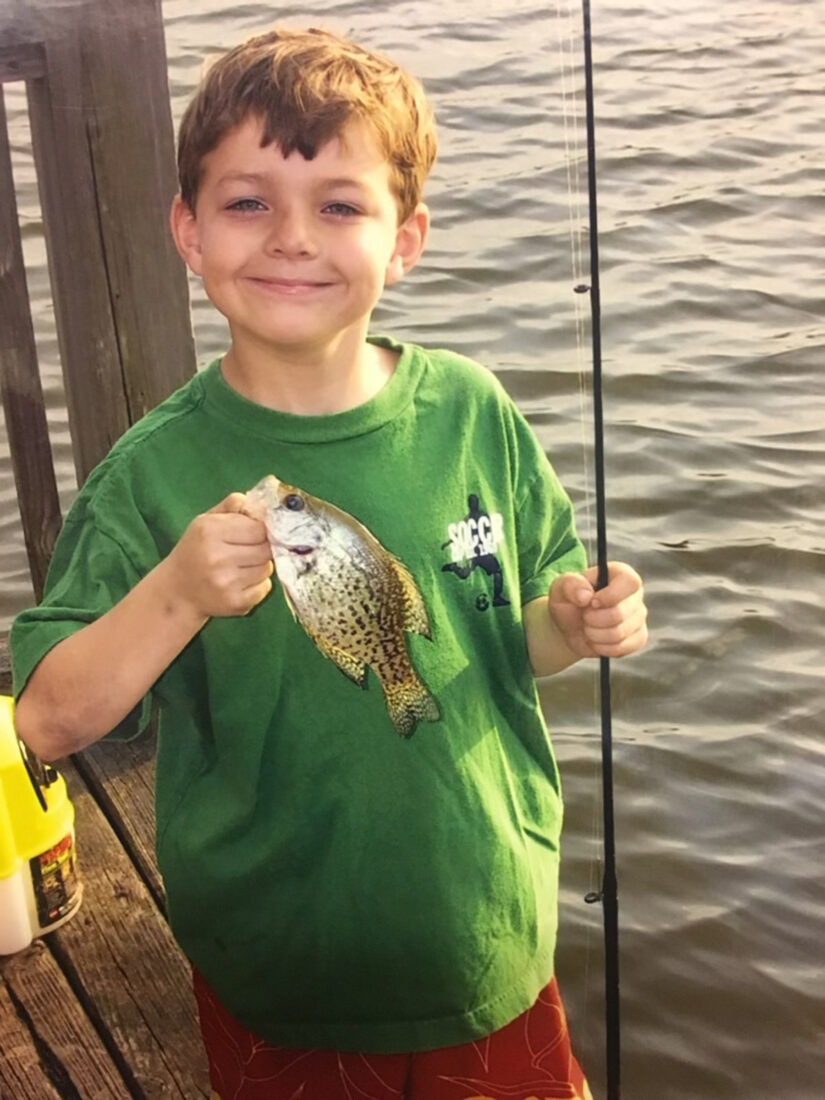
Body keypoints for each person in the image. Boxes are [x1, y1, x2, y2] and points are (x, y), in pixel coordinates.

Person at [11, 26, 648, 1100]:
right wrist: (173, 593)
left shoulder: (473, 414)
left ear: (407, 239)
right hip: (281, 971)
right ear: (187, 228)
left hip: (487, 939)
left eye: (341, 205)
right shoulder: (151, 476)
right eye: (247, 201)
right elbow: (46, 719)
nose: (292, 238)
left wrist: (578, 621)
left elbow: (520, 631)